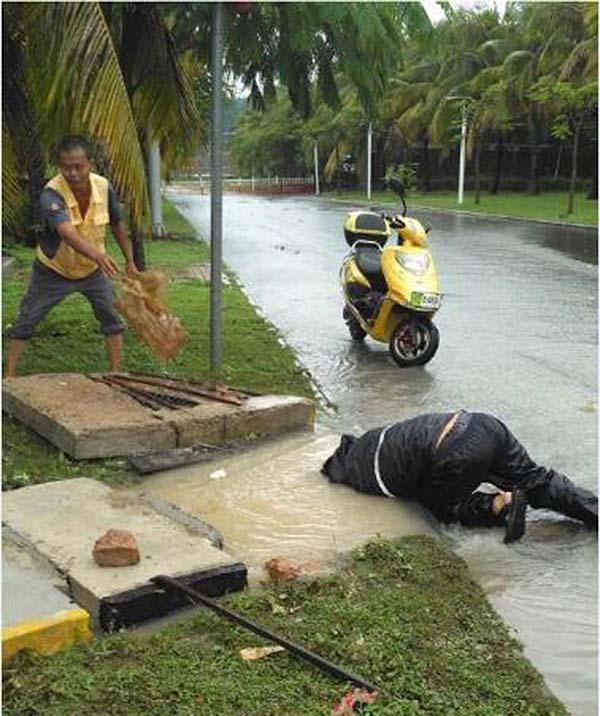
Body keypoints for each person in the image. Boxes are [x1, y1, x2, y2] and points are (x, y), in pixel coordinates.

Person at [322, 410, 598, 543]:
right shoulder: (376, 438)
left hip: (457, 454)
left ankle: (501, 503)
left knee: (441, 511)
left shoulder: (364, 474)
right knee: (537, 479)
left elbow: (429, 499)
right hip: (482, 424)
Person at [5, 135, 137, 377]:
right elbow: (66, 231)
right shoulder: (51, 194)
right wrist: (98, 255)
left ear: (91, 164)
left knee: (112, 317)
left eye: (79, 166)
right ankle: (9, 379)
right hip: (54, 270)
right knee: (27, 320)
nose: (73, 173)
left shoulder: (103, 186)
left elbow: (117, 223)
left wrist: (129, 260)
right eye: (66, 167)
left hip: (92, 271)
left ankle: (117, 374)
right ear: (59, 166)